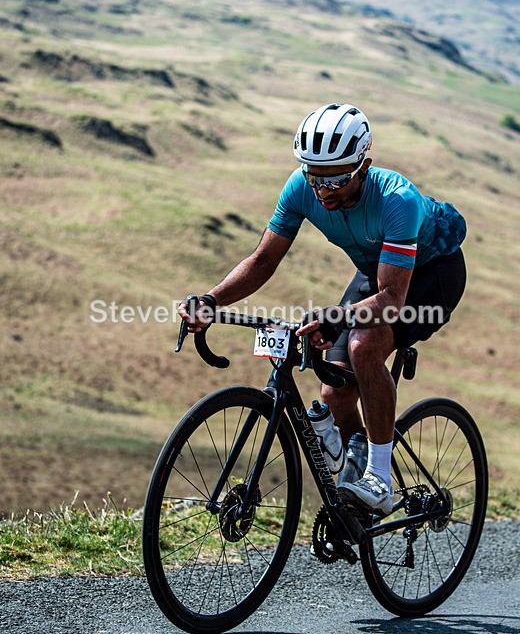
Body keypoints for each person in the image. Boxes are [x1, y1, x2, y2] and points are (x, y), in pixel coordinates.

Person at [179, 103, 467, 515]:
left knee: (365, 345)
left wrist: (340, 317)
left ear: (363, 165)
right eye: (316, 178)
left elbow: (390, 300)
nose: (324, 191)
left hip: (432, 275)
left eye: (337, 180)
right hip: (379, 268)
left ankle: (380, 480)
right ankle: (357, 468)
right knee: (334, 390)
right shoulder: (301, 188)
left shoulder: (397, 199)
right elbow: (262, 261)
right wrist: (211, 299)